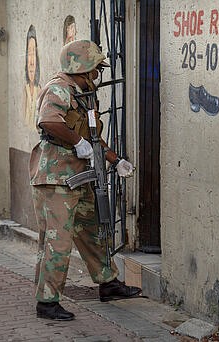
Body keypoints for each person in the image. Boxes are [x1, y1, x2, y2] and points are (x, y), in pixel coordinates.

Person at [29, 39, 141, 321]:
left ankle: (108, 282)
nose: (97, 75)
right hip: (56, 178)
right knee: (58, 241)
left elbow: (91, 136)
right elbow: (48, 121)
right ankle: (47, 302)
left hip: (78, 176)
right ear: (81, 68)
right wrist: (78, 141)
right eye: (94, 69)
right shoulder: (60, 88)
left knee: (93, 231)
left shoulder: (84, 93)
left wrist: (115, 160)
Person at [23, 24, 41, 128]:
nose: (32, 62)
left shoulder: (39, 91)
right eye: (29, 53)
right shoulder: (25, 91)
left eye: (34, 53)